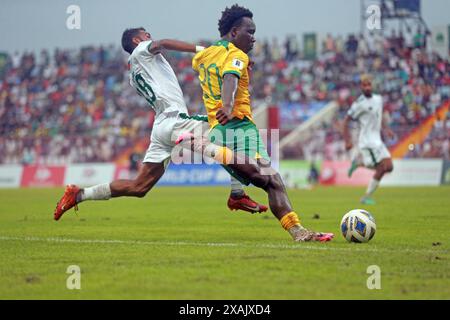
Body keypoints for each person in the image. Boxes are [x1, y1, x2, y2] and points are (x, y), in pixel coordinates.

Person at [53, 27, 268, 221]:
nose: (150, 37)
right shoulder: (143, 50)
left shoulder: (134, 72)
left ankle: (80, 194)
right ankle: (237, 194)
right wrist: (205, 50)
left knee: (139, 186)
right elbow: (163, 43)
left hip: (161, 127)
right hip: (175, 121)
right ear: (137, 40)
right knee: (229, 128)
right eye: (146, 34)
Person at [190, 4, 333, 242]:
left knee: (270, 179)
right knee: (269, 179)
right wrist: (226, 104)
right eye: (250, 32)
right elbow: (230, 78)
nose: (254, 38)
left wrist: (161, 45)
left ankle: (294, 229)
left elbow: (194, 54)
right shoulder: (237, 55)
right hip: (238, 126)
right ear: (235, 32)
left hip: (219, 130)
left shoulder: (205, 55)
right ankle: (297, 231)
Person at [343, 74, 394, 205]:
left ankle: (359, 164)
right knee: (382, 167)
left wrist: (386, 129)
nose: (367, 87)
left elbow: (380, 115)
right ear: (361, 87)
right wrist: (347, 140)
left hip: (377, 139)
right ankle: (366, 197)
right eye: (364, 85)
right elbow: (346, 121)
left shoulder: (378, 99)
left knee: (389, 167)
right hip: (367, 141)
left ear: (372, 86)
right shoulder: (358, 104)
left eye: (369, 85)